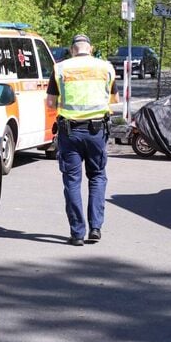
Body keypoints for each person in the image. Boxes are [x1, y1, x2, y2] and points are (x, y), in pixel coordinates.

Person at [46, 33, 118, 246]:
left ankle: (77, 233)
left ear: (71, 49)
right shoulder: (105, 68)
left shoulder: (60, 68)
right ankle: (95, 227)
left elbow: (51, 103)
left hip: (70, 133)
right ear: (91, 47)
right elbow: (114, 99)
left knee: (72, 181)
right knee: (97, 176)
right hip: (97, 132)